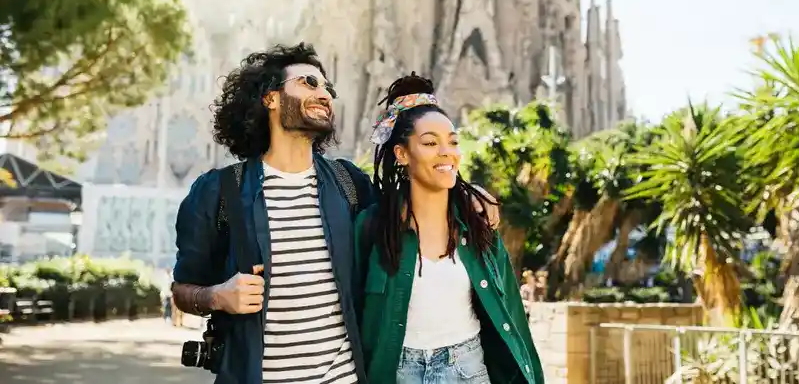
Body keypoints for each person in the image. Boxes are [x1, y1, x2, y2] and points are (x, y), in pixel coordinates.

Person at [170, 43, 499, 384]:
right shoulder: (220, 193)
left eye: (327, 87)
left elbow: (414, 208)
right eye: (308, 83)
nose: (324, 93)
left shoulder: (349, 184)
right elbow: (182, 290)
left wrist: (468, 197)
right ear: (270, 99)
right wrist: (217, 296)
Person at [354, 73, 544, 384]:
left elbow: (511, 312)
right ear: (401, 154)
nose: (447, 152)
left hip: (467, 369)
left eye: (453, 141)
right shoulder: (372, 227)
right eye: (430, 142)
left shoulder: (478, 223)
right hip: (396, 372)